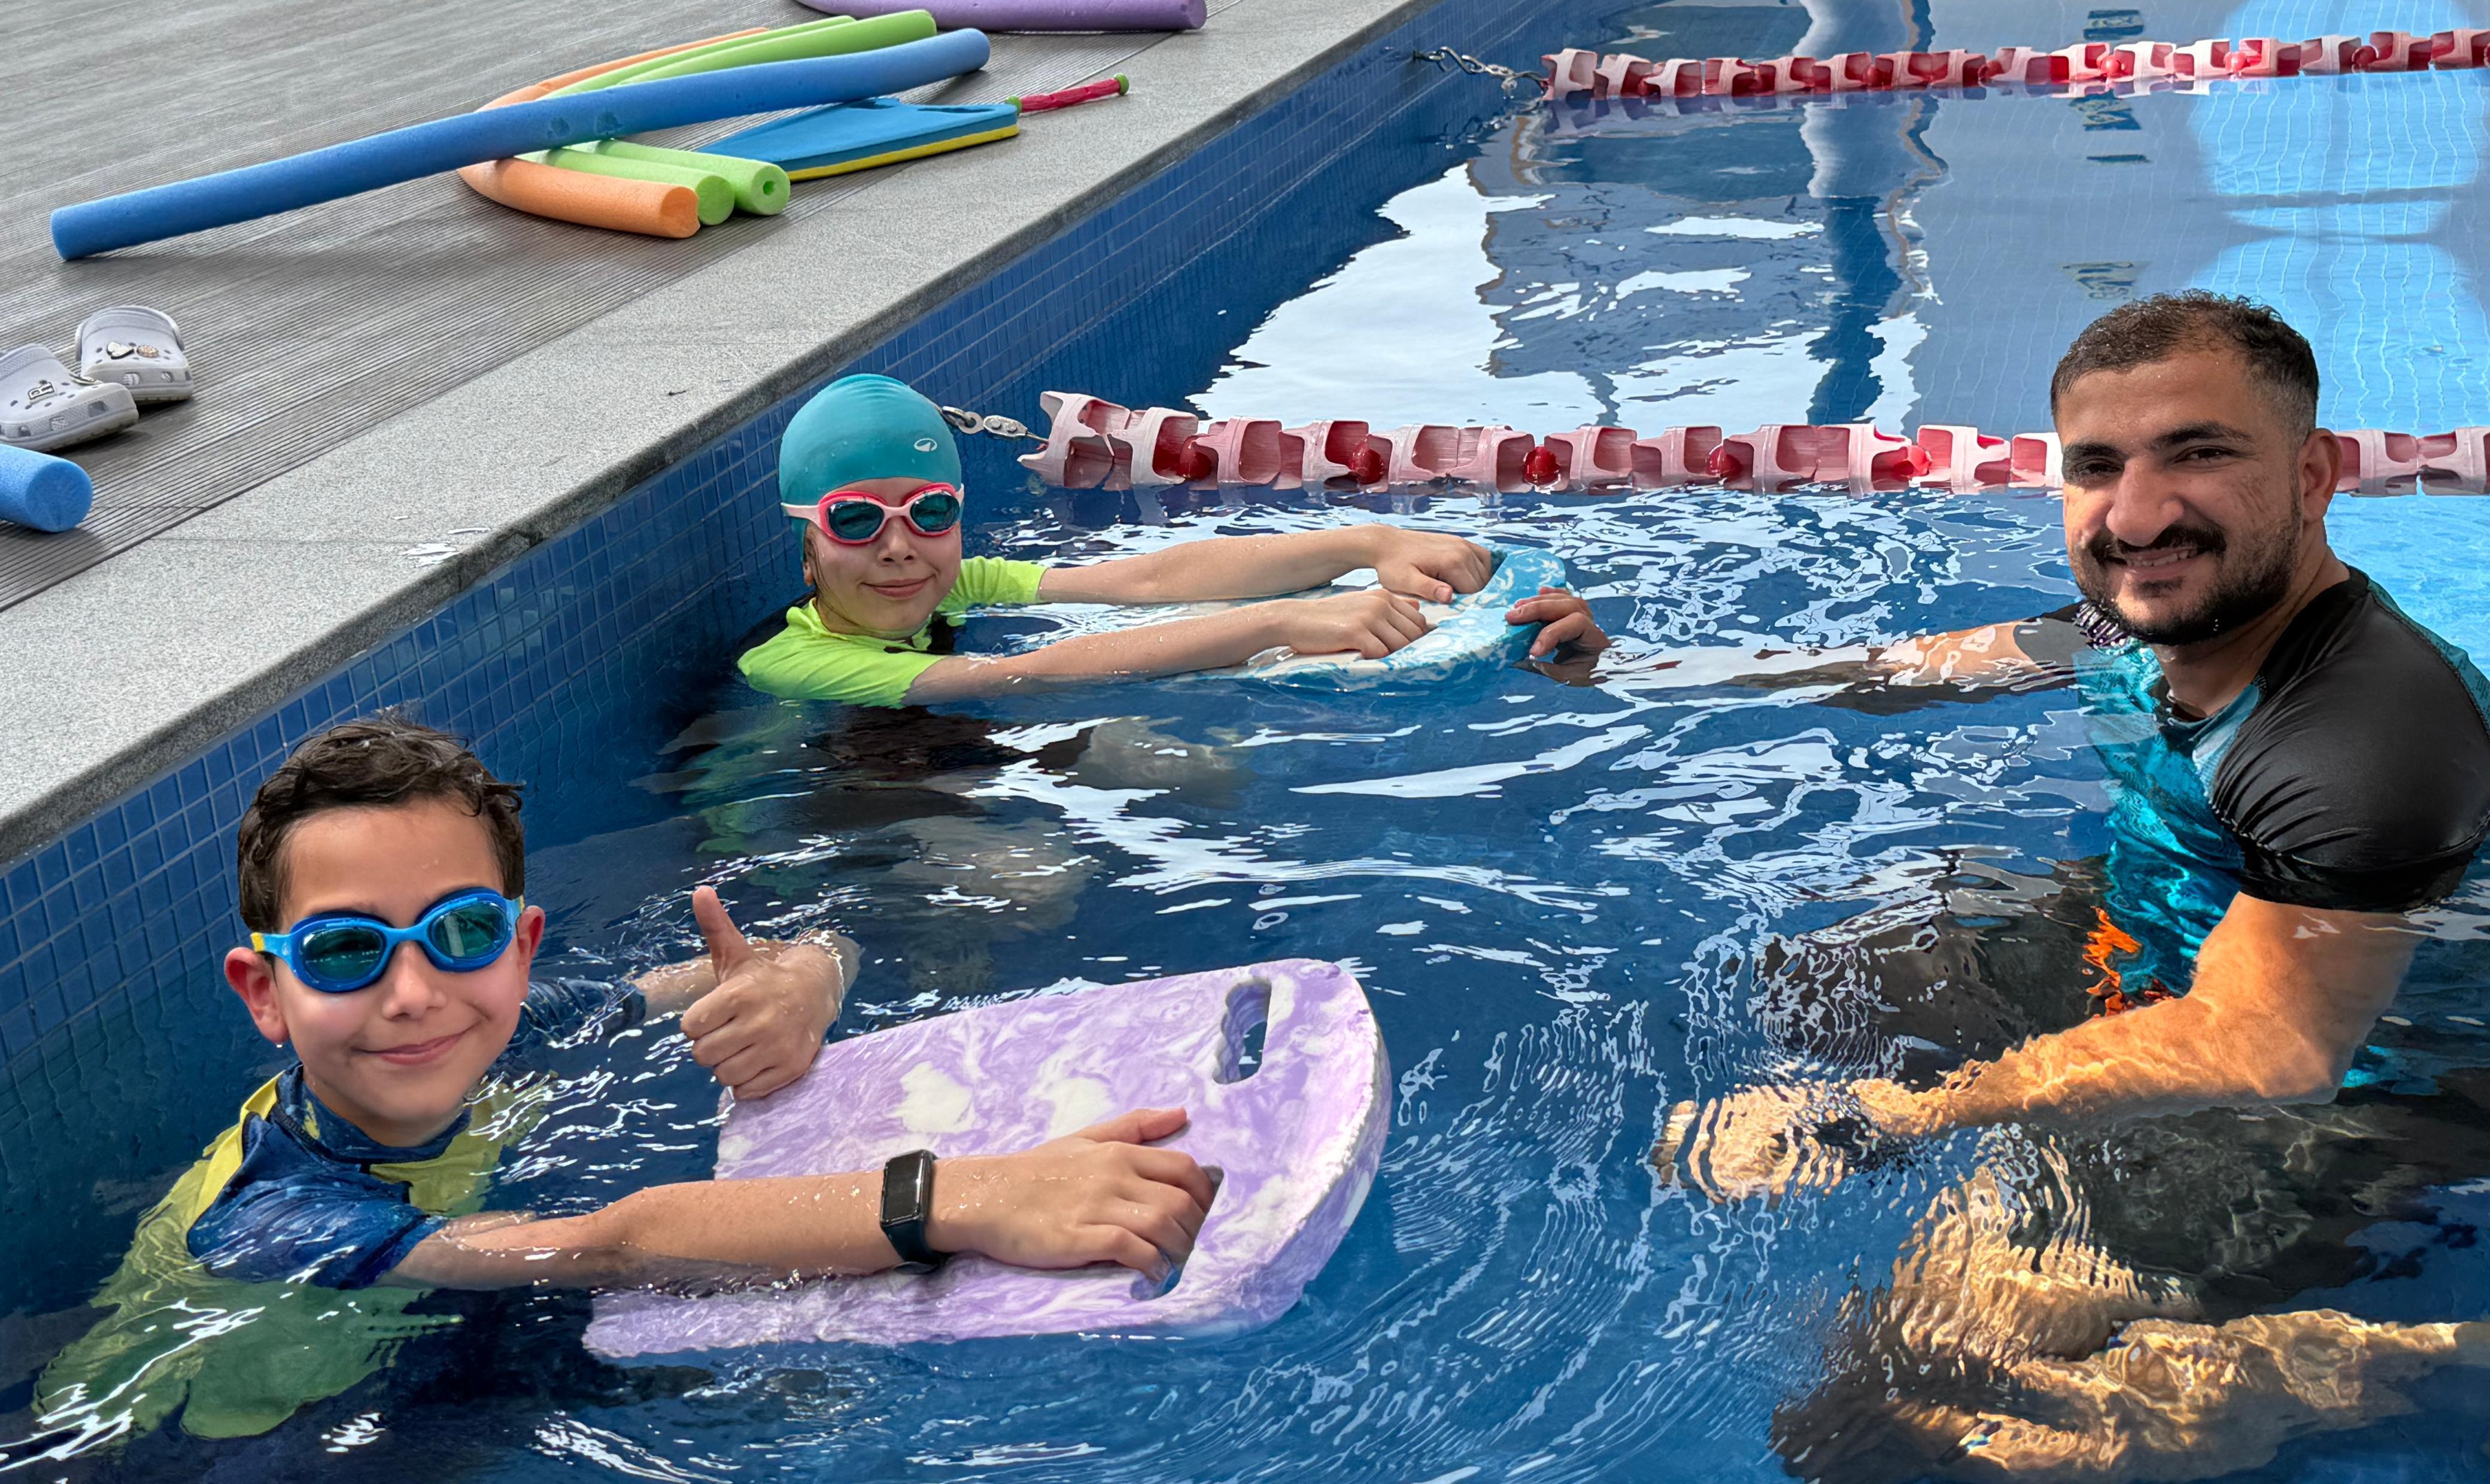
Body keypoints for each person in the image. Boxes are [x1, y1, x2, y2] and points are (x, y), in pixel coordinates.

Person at [1651, 294, 2490, 1479]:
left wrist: (1885, 1122)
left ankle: (2376, 1360)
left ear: (2314, 475)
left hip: (2350, 1077)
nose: (2137, 512)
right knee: (1800, 982)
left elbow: (2264, 1045)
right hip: (2139, 944)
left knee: (1897, 1414)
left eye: (2197, 453)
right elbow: (1921, 672)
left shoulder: (2366, 734)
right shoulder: (2137, 615)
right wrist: (1648, 670)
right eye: (2096, 466)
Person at [36, 716, 1214, 1443]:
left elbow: (729, 963)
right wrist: (954, 1198)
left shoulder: (500, 1021)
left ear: (521, 946)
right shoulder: (272, 1213)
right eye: (347, 949)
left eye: (457, 931)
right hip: (215, 1437)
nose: (412, 994)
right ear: (262, 992)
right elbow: (609, 1243)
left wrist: (806, 977)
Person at [736, 375, 1608, 707]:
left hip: (960, 757)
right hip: (845, 814)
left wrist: (1365, 541)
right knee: (1031, 879)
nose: (899, 547)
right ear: (805, 543)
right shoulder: (787, 665)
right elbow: (1017, 674)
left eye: (928, 513)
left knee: (1188, 768)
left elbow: (1147, 579)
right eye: (856, 520)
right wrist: (1279, 626)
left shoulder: (954, 585)